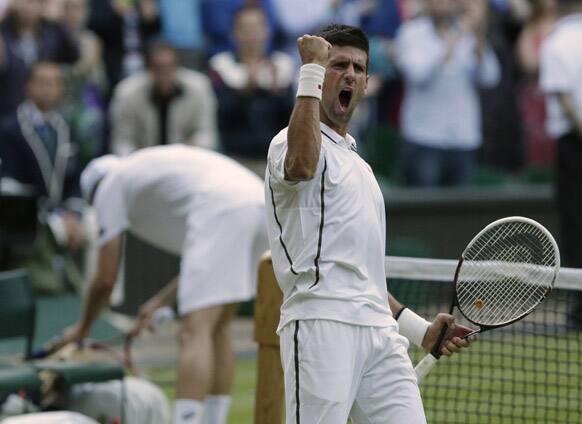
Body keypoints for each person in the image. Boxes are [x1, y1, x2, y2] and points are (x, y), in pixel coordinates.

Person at [264, 24, 474, 423]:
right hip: (320, 324)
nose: (349, 75)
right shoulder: (288, 143)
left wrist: (419, 330)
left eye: (358, 68)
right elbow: (302, 164)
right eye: (337, 65)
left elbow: (366, 280)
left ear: (365, 84)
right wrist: (310, 68)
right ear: (316, 75)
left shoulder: (360, 165)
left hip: (380, 335)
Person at [55, 145, 267, 424]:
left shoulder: (110, 185)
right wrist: (160, 302)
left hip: (224, 208)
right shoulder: (146, 175)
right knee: (218, 328)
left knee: (195, 331)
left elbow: (106, 280)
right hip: (259, 202)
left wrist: (81, 330)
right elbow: (205, 263)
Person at [0, 61, 86, 293]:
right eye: (42, 82)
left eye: (54, 83)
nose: (48, 88)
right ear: (28, 86)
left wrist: (74, 214)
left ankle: (97, 295)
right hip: (27, 213)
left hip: (63, 211)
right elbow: (9, 182)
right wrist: (52, 215)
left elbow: (73, 179)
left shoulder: (66, 129)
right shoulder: (9, 128)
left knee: (97, 226)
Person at [395, 0, 500, 187]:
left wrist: (479, 42)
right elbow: (417, 74)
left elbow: (491, 78)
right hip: (424, 137)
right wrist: (449, 45)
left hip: (463, 137)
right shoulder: (411, 33)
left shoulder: (469, 35)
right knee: (424, 209)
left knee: (459, 212)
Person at [208, 4, 294, 176]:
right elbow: (221, 117)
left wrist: (278, 93)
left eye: (257, 27)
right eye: (245, 28)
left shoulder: (282, 65)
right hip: (236, 159)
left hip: (276, 160)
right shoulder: (221, 66)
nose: (252, 34)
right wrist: (246, 90)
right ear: (234, 33)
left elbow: (292, 120)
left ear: (267, 31)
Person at [539, 0, 582, 328]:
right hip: (573, 145)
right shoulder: (555, 42)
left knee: (575, 227)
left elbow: (567, 100)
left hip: (574, 146)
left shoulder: (555, 42)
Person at [109, 40, 218, 156]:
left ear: (177, 66)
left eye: (169, 66)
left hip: (187, 161)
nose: (165, 73)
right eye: (159, 68)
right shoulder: (127, 93)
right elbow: (122, 140)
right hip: (141, 164)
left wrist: (190, 154)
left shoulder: (199, 88)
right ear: (149, 68)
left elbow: (205, 132)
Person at [0, 0, 80, 118]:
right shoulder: (3, 31)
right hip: (8, 111)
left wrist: (58, 21)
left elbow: (74, 55)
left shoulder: (50, 32)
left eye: (33, 2)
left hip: (44, 112)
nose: (28, 7)